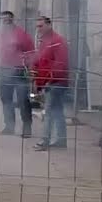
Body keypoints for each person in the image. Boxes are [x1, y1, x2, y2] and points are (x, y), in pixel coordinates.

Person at [0, 11, 35, 137]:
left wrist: (30, 70)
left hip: (20, 71)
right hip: (4, 70)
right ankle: (9, 126)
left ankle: (27, 127)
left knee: (23, 100)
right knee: (6, 100)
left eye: (8, 19)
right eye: (3, 19)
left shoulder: (22, 34)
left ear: (12, 19)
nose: (5, 21)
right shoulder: (0, 35)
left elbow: (31, 52)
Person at [31, 16, 70, 151]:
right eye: (37, 26)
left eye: (41, 26)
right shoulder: (44, 42)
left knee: (48, 111)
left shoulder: (58, 41)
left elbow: (60, 64)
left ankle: (44, 141)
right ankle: (61, 140)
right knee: (58, 111)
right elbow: (40, 62)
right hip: (49, 82)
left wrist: (48, 81)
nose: (38, 29)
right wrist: (36, 80)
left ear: (49, 25)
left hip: (56, 83)